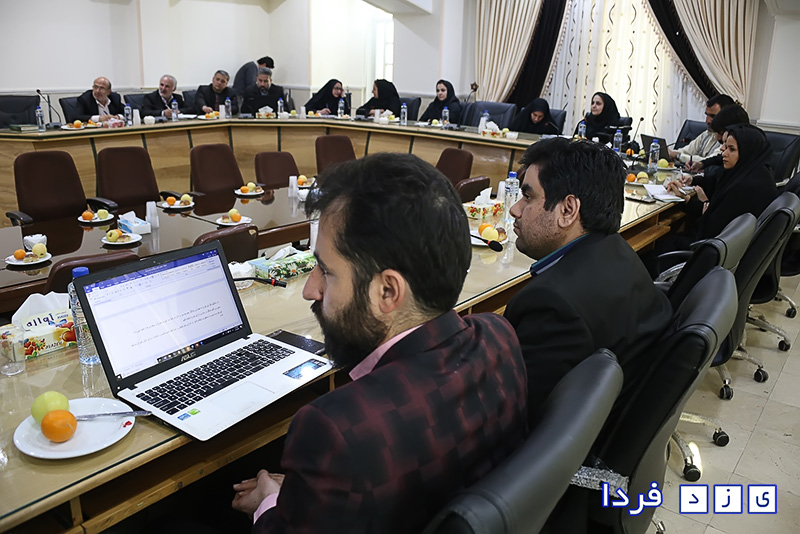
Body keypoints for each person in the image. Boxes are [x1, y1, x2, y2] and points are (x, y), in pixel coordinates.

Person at [231, 153, 528, 534]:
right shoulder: (499, 335)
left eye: (326, 271)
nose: (310, 289)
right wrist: (317, 491)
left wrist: (270, 502)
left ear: (388, 291)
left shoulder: (336, 429)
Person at [503, 137, 671, 424]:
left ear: (568, 210)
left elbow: (512, 416)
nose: (515, 209)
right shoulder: (619, 252)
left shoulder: (553, 305)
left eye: (528, 197)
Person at [664, 123, 776, 245]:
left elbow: (711, 227)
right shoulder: (754, 174)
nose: (723, 153)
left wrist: (704, 205)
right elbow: (716, 215)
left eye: (731, 149)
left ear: (747, 152)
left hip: (703, 249)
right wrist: (688, 198)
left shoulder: (745, 187)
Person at [668, 94, 735, 163]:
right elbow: (686, 151)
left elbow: (709, 161)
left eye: (712, 116)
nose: (707, 121)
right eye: (707, 115)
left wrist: (678, 156)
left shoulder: (731, 139)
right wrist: (668, 153)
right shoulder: (707, 133)